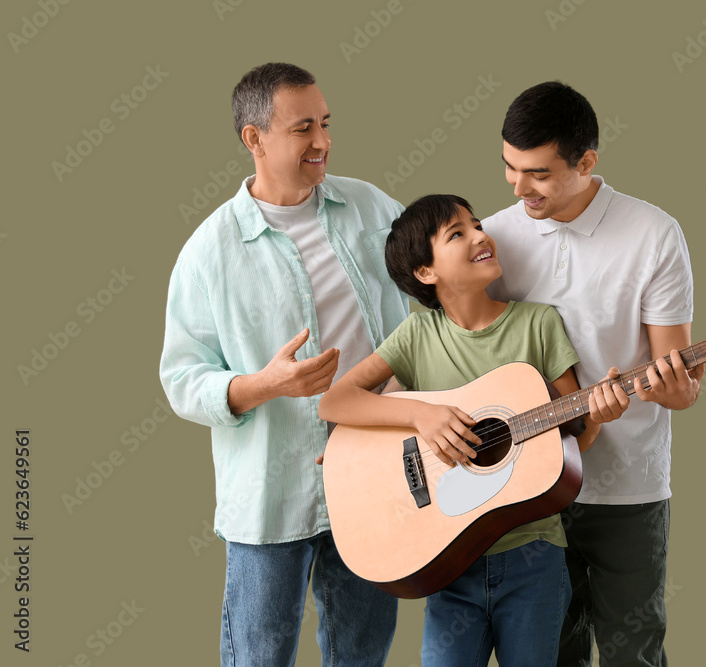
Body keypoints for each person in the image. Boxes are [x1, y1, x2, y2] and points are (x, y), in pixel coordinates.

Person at [159, 62, 404, 666]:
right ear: (254, 139)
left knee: (363, 653)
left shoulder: (372, 209)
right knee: (258, 657)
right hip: (269, 498)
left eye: (325, 124)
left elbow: (434, 297)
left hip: (374, 477)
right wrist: (265, 384)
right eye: (302, 129)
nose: (322, 142)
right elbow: (182, 380)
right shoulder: (207, 253)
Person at [318, 194, 629, 666]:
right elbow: (334, 401)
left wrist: (598, 418)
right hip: (449, 560)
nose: (480, 235)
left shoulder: (537, 324)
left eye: (477, 225)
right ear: (426, 272)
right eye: (457, 234)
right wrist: (422, 415)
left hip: (534, 558)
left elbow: (573, 434)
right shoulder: (417, 335)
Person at [482, 81, 704, 666]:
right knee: (547, 653)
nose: (518, 186)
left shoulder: (654, 234)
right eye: (509, 167)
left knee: (634, 649)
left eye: (538, 173)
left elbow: (678, 382)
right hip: (521, 485)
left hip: (628, 486)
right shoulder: (491, 238)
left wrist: (676, 389)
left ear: (586, 163)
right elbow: (456, 351)